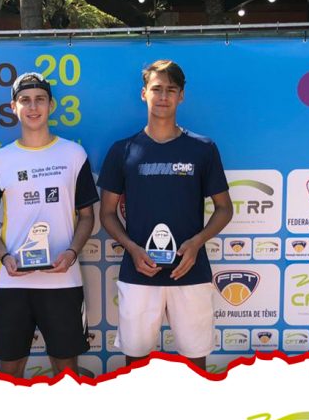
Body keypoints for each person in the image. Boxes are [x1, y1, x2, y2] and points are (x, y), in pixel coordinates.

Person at [98, 59, 233, 370]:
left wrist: (196, 243)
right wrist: (132, 249)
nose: (163, 96)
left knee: (195, 363)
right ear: (143, 93)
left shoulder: (203, 148)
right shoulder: (123, 150)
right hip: (139, 273)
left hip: (190, 272)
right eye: (156, 89)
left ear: (181, 96)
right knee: (135, 364)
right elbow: (106, 213)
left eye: (171, 90)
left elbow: (225, 208)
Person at [0, 72, 99, 378]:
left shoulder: (74, 155)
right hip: (13, 282)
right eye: (25, 100)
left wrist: (71, 253)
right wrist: (5, 257)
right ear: (13, 107)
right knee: (10, 372)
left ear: (51, 105)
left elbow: (87, 216)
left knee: (66, 372)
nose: (33, 107)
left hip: (63, 281)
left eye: (40, 100)